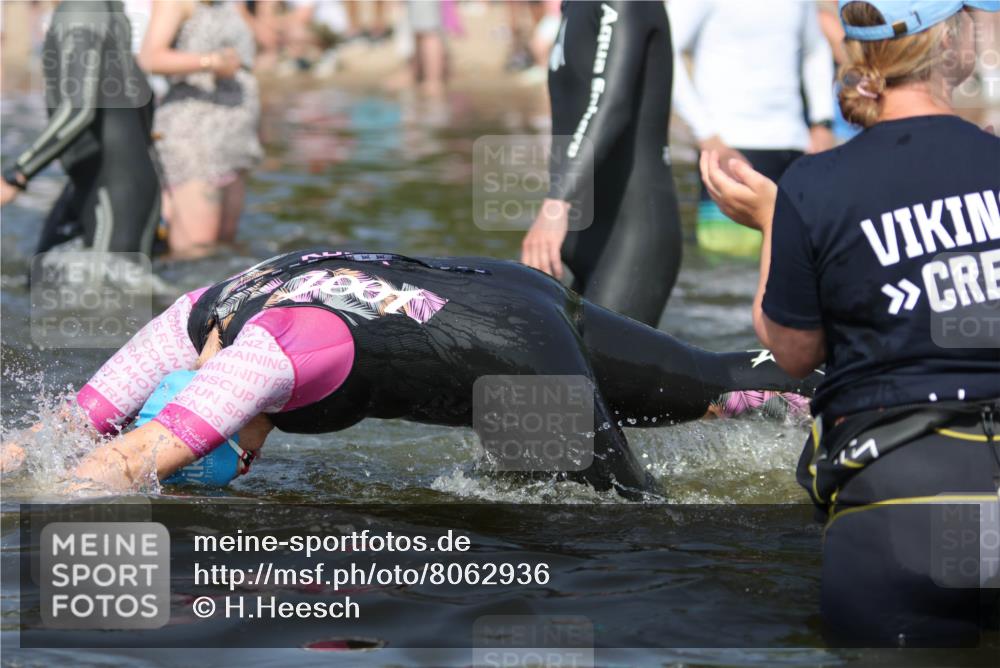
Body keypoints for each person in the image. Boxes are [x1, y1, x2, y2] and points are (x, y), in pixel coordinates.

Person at [1, 250, 819, 500]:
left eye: (238, 456)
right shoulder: (194, 314)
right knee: (711, 383)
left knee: (621, 513)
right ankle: (861, 360)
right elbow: (63, 431)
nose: (254, 457)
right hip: (498, 285)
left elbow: (120, 461)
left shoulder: (260, 362)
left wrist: (39, 515)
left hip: (508, 357)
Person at [701, 0, 1000, 646]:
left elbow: (793, 352)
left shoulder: (814, 186)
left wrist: (773, 225)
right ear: (948, 43)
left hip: (899, 508)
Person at [520, 0, 682, 328]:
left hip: (634, 229)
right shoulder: (571, 7)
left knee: (605, 371)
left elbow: (610, 103)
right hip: (581, 225)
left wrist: (557, 202)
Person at [670, 0, 836, 257]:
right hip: (729, 151)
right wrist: (706, 136)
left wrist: (822, 122)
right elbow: (666, 49)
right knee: (727, 271)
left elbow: (815, 49)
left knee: (796, 267)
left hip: (795, 147)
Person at [0, 0, 160, 257]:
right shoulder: (105, 8)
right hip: (105, 176)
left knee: (112, 294)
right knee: (40, 282)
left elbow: (78, 111)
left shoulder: (79, 9)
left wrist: (17, 174)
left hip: (115, 187)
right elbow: (143, 95)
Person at [138, 0, 262, 256]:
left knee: (225, 248)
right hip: (195, 137)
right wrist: (211, 62)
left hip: (235, 139)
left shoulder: (228, 4)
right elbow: (149, 58)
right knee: (198, 250)